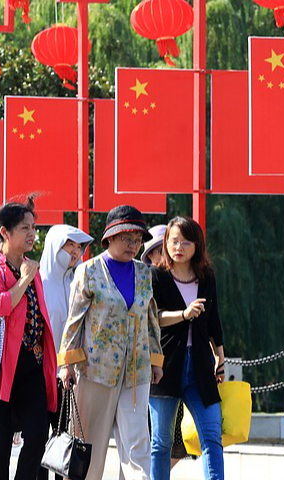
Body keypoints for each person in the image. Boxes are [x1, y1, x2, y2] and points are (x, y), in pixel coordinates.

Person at [57, 205, 164, 480]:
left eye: (138, 239)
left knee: (138, 445)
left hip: (136, 372)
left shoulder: (143, 273)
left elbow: (150, 318)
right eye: (127, 238)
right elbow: (74, 321)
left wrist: (155, 359)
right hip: (95, 371)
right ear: (110, 238)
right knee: (89, 445)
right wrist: (67, 364)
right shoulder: (89, 271)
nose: (134, 245)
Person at [0, 200, 58, 480]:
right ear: (4, 232)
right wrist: (23, 280)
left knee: (37, 433)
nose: (32, 233)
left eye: (34, 227)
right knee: (1, 438)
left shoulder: (30, 266)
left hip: (30, 365)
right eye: (24, 228)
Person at [148, 217, 226, 480]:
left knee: (212, 436)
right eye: (173, 241)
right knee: (161, 442)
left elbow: (214, 318)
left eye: (185, 242)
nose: (178, 247)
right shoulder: (156, 275)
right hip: (165, 365)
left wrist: (220, 356)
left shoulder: (206, 277)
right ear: (165, 243)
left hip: (201, 365)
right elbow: (153, 317)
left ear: (197, 245)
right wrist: (183, 313)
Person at [36, 224, 93, 458]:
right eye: (70, 245)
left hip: (70, 374)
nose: (75, 251)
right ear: (54, 246)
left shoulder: (80, 283)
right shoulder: (36, 281)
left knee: (65, 439)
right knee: (38, 437)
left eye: (79, 247)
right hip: (39, 372)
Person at [141, 224, 195, 469]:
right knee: (156, 437)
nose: (172, 252)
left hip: (181, 363)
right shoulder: (147, 281)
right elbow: (151, 320)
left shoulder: (192, 279)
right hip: (153, 366)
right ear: (151, 255)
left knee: (177, 440)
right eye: (162, 249)